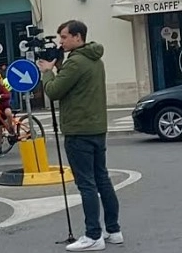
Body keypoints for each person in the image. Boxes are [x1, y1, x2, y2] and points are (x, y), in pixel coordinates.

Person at [38, 20, 121, 251]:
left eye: (64, 37)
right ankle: (113, 230)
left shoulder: (76, 62)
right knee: (102, 178)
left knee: (86, 184)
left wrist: (47, 73)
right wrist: (59, 67)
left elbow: (54, 91)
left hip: (78, 129)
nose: (60, 42)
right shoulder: (95, 59)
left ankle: (93, 235)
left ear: (77, 37)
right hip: (96, 127)